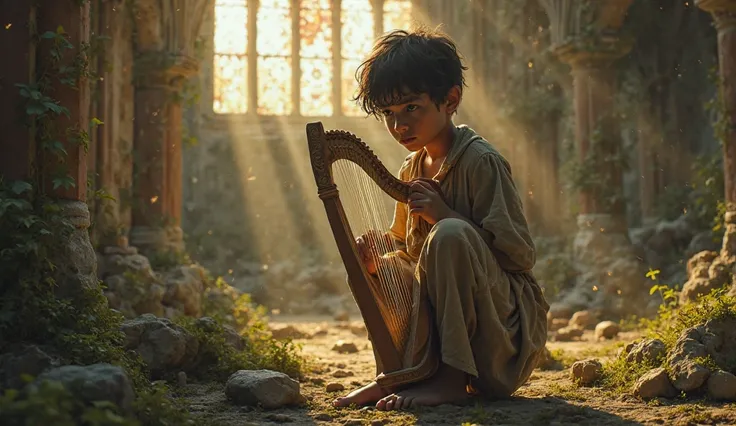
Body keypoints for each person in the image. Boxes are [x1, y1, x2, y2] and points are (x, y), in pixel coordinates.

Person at [332, 26, 549, 411]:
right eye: (389, 113)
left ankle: (450, 382)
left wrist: (446, 216)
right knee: (373, 265)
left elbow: (519, 257)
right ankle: (395, 377)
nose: (400, 125)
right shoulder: (411, 168)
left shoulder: (482, 161)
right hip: (448, 326)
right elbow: (410, 256)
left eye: (411, 108)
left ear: (450, 100)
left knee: (449, 234)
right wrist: (377, 263)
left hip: (501, 335)